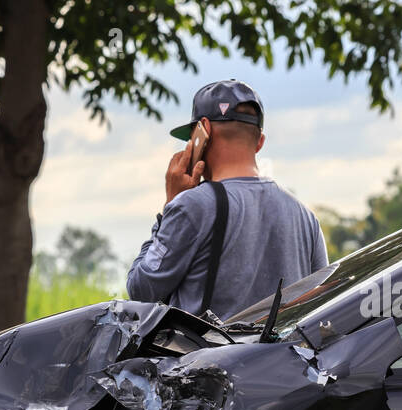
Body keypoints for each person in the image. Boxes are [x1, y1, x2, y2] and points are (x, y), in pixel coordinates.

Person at [126, 79, 328, 319]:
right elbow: (320, 302)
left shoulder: (191, 206)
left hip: (207, 357)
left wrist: (169, 207)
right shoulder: (305, 218)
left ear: (204, 131)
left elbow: (141, 290)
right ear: (260, 142)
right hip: (282, 356)